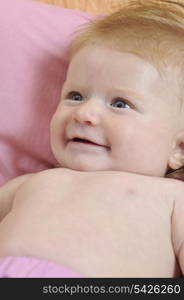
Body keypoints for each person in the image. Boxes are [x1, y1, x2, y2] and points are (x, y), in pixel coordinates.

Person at [0, 0, 184, 278]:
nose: (85, 113)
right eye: (75, 96)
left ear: (179, 148)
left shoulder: (172, 199)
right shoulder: (27, 185)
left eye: (120, 103)